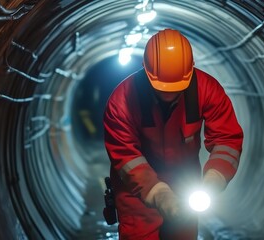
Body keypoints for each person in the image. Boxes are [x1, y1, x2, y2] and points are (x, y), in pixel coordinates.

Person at [103, 28, 243, 240]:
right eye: (161, 88)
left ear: (190, 70)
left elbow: (227, 139)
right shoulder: (122, 101)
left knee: (182, 234)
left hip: (185, 178)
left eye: (175, 87)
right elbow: (126, 157)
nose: (168, 94)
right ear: (146, 71)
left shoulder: (207, 90)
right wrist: (158, 193)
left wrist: (215, 178)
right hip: (136, 186)